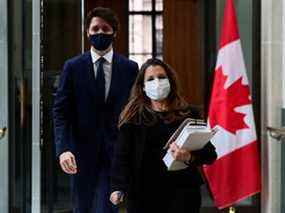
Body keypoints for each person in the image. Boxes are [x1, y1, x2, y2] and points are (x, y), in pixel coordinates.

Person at [53, 7, 138, 213]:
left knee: (107, 209)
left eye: (105, 29)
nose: (100, 33)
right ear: (87, 32)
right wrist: (63, 149)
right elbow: (61, 111)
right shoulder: (72, 67)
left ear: (115, 33)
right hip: (81, 154)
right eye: (95, 28)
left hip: (115, 154)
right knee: (81, 208)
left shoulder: (129, 68)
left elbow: (135, 111)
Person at [110, 58, 217, 213]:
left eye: (161, 77)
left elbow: (210, 154)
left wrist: (188, 156)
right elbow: (121, 156)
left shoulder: (189, 114)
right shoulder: (133, 118)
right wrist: (117, 187)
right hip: (143, 195)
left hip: (182, 194)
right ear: (143, 87)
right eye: (151, 79)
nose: (157, 82)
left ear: (170, 81)